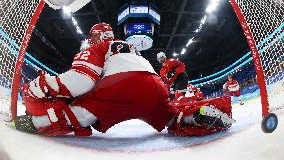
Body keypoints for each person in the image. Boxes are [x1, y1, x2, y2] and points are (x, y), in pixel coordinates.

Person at [14, 23, 234, 137]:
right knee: (171, 118)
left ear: (95, 38)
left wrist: (42, 88)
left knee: (77, 114)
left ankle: (32, 124)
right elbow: (148, 79)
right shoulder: (132, 50)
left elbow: (80, 82)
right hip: (154, 87)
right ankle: (194, 116)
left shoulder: (98, 47)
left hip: (118, 89)